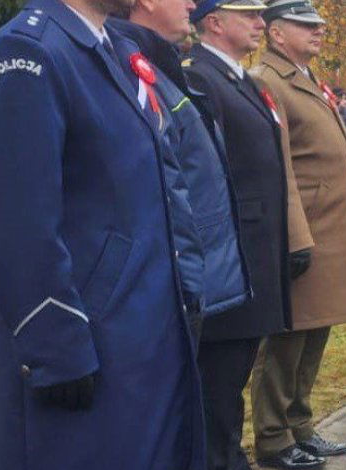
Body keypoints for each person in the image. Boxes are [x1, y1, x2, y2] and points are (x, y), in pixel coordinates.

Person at [0, 0, 206, 470]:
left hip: (137, 338)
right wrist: (56, 346)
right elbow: (14, 220)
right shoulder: (29, 51)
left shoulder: (112, 48)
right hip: (87, 345)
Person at [249, 0, 346, 470]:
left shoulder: (302, 77)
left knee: (316, 328)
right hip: (305, 226)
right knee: (289, 335)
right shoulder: (268, 79)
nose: (319, 31)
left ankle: (300, 424)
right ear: (276, 33)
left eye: (319, 25)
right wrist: (293, 234)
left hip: (329, 226)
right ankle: (272, 435)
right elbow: (279, 164)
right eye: (306, 25)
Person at [185, 1, 301, 470]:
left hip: (258, 241)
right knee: (221, 370)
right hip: (233, 244)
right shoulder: (201, 77)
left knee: (234, 367)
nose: (260, 23)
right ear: (215, 22)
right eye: (249, 15)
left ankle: (231, 467)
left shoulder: (238, 79)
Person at [110, 0, 251, 321]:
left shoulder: (158, 67)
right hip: (177, 284)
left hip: (202, 277)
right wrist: (189, 280)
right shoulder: (127, 67)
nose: (192, 3)